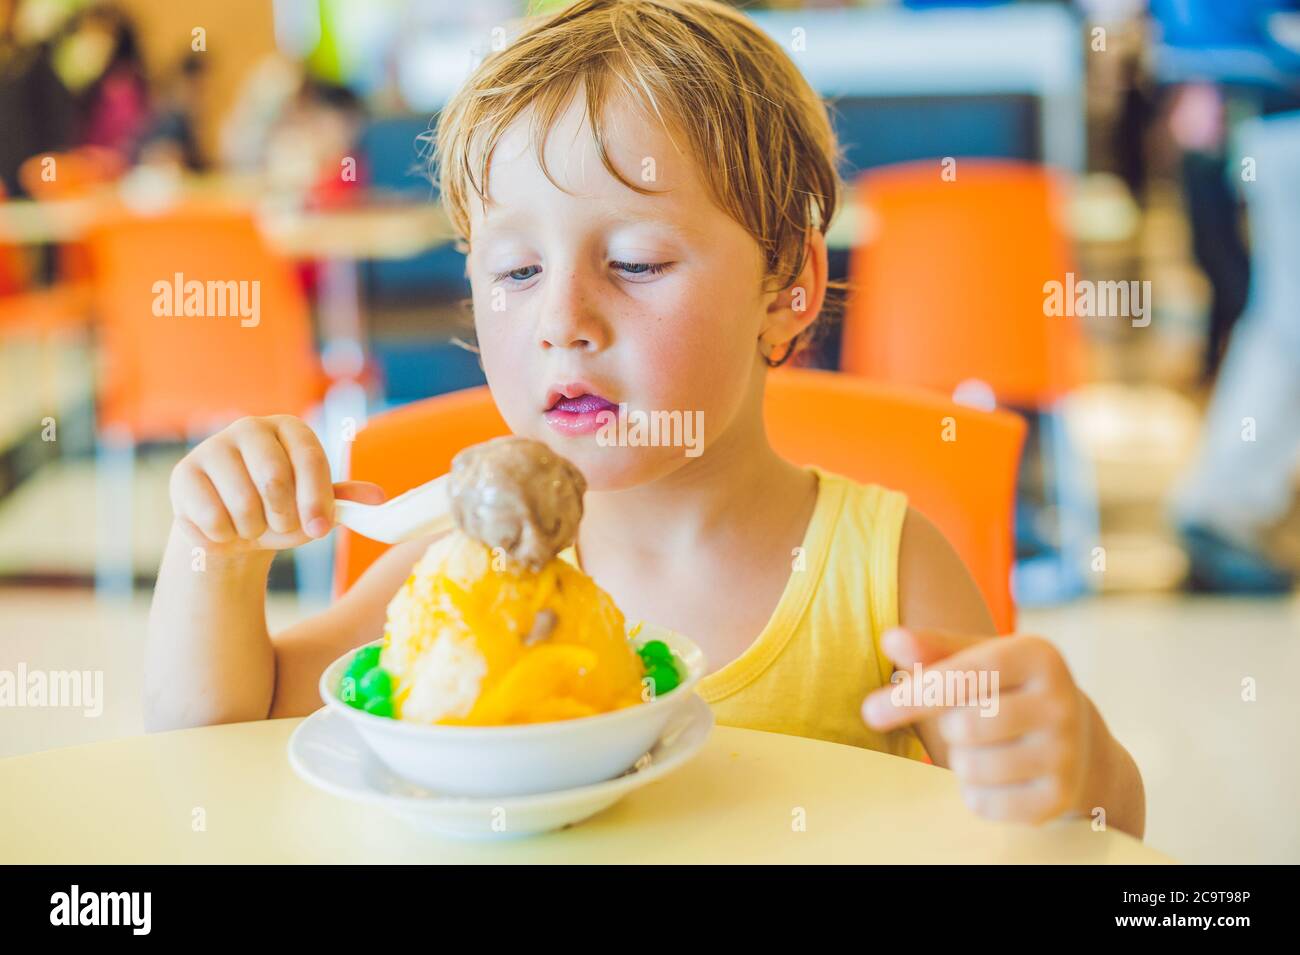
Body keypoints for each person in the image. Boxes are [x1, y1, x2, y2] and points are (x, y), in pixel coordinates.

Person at [144, 0, 1144, 837]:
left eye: (634, 263)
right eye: (516, 271)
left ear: (787, 280)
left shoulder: (881, 571)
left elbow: (1096, 834)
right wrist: (216, 560)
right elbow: (215, 738)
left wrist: (1074, 761)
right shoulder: (459, 573)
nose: (561, 322)